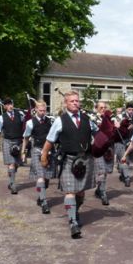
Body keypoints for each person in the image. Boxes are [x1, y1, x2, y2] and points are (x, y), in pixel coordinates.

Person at [41, 91, 97, 239]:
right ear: (66, 103)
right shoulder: (60, 120)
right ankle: (72, 221)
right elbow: (50, 140)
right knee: (70, 192)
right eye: (72, 101)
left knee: (80, 192)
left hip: (85, 159)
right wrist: (44, 155)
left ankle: (75, 211)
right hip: (69, 159)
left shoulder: (87, 119)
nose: (75, 103)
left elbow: (98, 135)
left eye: (77, 101)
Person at [22, 100, 55, 214]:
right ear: (35, 109)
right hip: (36, 150)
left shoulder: (49, 121)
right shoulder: (30, 123)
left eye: (44, 110)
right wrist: (23, 152)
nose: (42, 112)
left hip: (49, 152)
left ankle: (41, 197)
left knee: (46, 179)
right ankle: (44, 202)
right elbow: (26, 138)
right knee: (40, 177)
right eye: (40, 110)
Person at [0, 98, 24, 195]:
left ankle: (11, 176)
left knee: (16, 164)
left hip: (18, 141)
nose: (10, 106)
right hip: (7, 141)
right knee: (11, 163)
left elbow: (26, 124)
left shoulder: (20, 115)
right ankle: (13, 185)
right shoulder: (1, 118)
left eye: (11, 104)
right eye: (7, 104)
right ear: (4, 107)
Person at [114, 103, 133, 187]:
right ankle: (127, 177)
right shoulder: (120, 116)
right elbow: (115, 127)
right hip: (120, 141)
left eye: (132, 110)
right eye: (129, 109)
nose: (131, 111)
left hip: (131, 142)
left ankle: (123, 174)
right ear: (126, 110)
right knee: (123, 159)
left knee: (127, 160)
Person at [93, 101, 113, 205]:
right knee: (102, 171)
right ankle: (103, 193)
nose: (103, 109)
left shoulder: (109, 119)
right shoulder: (93, 119)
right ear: (96, 108)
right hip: (98, 148)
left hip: (108, 148)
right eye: (101, 107)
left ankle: (99, 189)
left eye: (104, 107)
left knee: (106, 172)